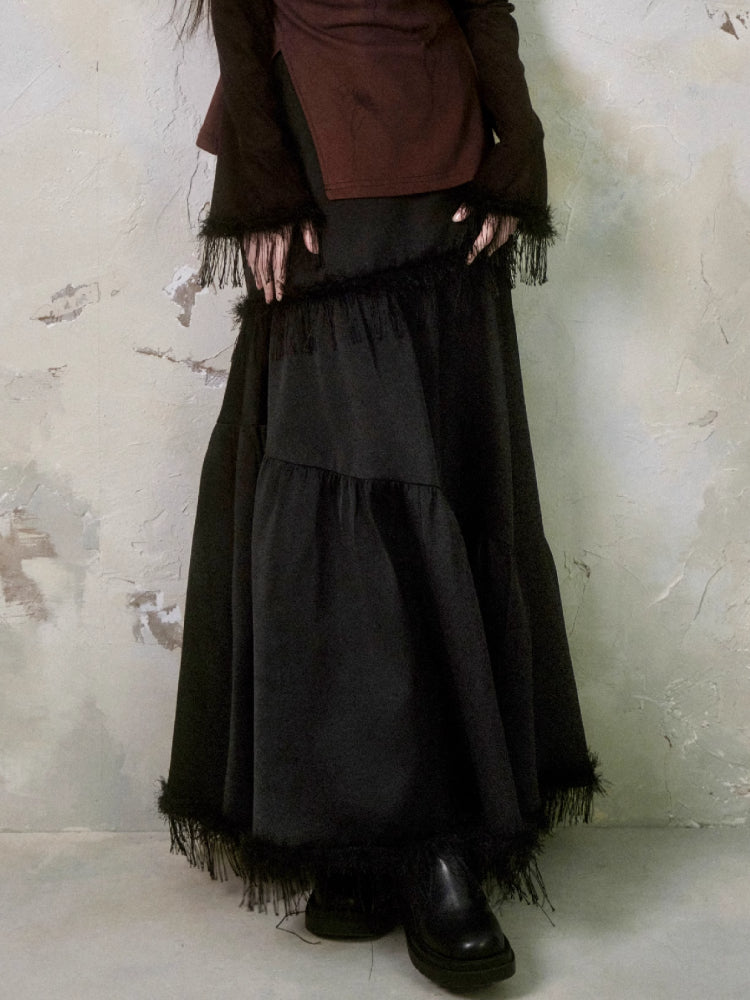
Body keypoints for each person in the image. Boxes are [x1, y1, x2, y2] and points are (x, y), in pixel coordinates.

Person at [158, 0, 601, 990]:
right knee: (344, 496)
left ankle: (422, 838)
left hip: (445, 164)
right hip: (317, 160)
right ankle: (378, 827)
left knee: (437, 479)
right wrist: (265, 176)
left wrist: (519, 142)